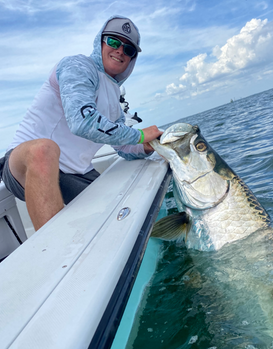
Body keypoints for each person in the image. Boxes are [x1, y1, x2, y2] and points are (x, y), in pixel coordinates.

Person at [0, 16, 162, 231]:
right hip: (23, 167)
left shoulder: (114, 94)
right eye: (114, 42)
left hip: (75, 174)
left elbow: (122, 146)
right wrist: (140, 135)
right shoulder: (77, 66)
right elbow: (83, 122)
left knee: (123, 216)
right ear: (100, 42)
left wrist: (146, 147)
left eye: (129, 49)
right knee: (43, 150)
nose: (120, 50)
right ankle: (50, 253)